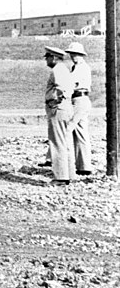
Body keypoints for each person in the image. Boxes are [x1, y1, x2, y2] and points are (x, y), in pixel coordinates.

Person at [43, 46, 75, 185]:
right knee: (65, 142)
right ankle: (69, 174)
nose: (46, 60)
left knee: (57, 142)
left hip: (58, 109)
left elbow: (63, 89)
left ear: (54, 57)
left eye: (48, 57)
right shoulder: (64, 69)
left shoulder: (58, 70)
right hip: (65, 108)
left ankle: (61, 177)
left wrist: (56, 102)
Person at [65, 41, 93, 176]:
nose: (73, 56)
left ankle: (65, 164)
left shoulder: (81, 68)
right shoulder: (78, 67)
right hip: (81, 100)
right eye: (71, 54)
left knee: (68, 129)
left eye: (75, 54)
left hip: (79, 99)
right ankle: (83, 166)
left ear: (81, 55)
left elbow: (70, 83)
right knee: (81, 133)